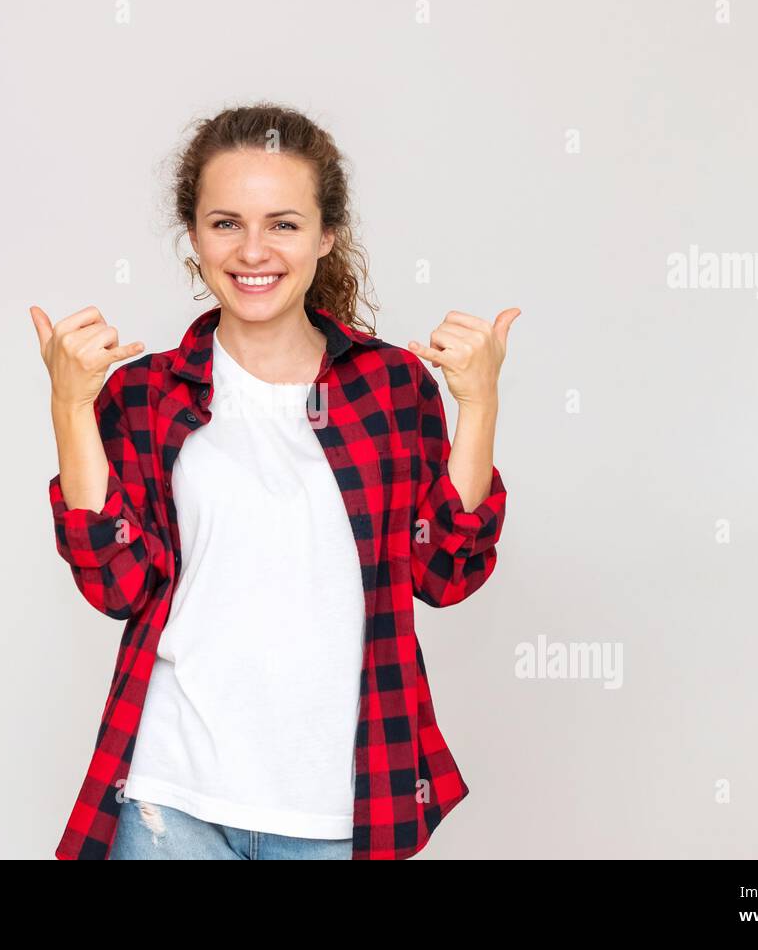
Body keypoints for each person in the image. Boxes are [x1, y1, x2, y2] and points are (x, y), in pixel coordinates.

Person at [29, 103, 518, 860]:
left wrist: (480, 403)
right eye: (226, 223)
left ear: (326, 235)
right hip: (170, 802)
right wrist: (70, 405)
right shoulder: (146, 394)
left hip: (336, 812)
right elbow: (115, 585)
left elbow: (445, 571)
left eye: (283, 224)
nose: (253, 249)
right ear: (193, 236)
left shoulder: (392, 387)